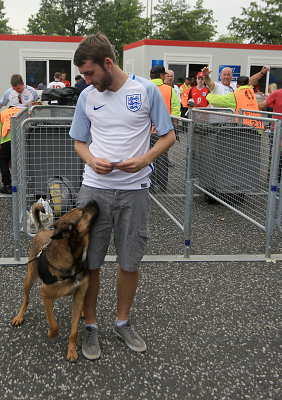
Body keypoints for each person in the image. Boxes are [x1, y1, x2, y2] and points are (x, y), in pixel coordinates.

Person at [69, 33, 176, 360]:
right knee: (91, 262)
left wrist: (145, 159)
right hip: (94, 191)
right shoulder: (87, 96)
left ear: (108, 63)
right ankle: (90, 326)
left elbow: (168, 135)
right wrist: (90, 160)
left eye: (90, 73)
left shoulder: (145, 90)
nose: (86, 80)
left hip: (135, 192)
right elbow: (79, 141)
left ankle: (123, 321)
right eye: (84, 75)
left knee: (130, 261)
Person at [149, 64, 180, 193]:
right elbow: (176, 109)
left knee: (148, 157)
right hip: (163, 130)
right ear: (162, 75)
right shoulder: (169, 90)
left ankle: (149, 184)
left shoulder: (144, 87)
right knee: (162, 158)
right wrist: (175, 125)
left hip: (147, 131)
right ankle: (162, 186)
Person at [0, 106, 21, 194]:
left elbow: (0, 129)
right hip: (20, 138)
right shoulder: (22, 111)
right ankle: (22, 183)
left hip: (6, 140)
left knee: (4, 160)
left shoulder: (3, 113)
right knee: (20, 160)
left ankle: (7, 185)